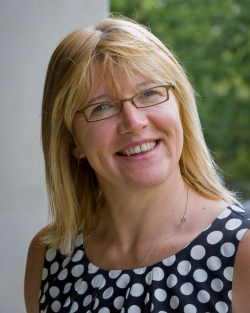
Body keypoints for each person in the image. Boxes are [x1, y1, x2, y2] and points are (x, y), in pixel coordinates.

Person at [24, 16, 250, 313]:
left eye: (149, 93)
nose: (133, 122)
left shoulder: (243, 251)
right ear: (72, 141)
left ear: (179, 106)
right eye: (101, 106)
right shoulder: (49, 256)